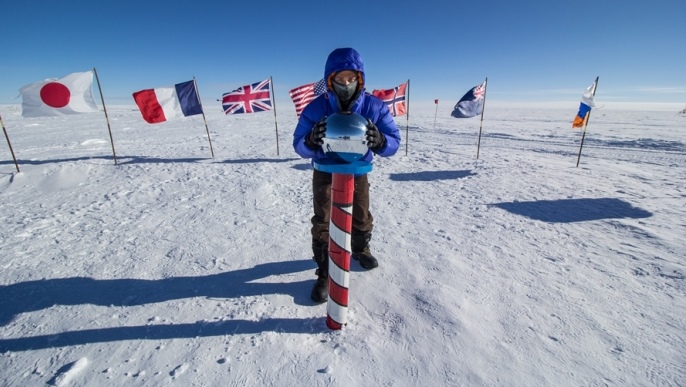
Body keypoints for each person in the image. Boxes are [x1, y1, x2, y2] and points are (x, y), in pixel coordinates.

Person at [292, 47, 401, 303]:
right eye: (339, 79)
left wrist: (380, 141)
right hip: (325, 171)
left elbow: (395, 142)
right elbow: (298, 145)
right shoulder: (316, 108)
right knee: (323, 220)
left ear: (359, 79)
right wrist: (310, 140)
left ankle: (360, 249)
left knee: (360, 214)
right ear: (330, 80)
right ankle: (324, 272)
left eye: (351, 78)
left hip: (357, 171)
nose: (346, 84)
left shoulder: (373, 106)